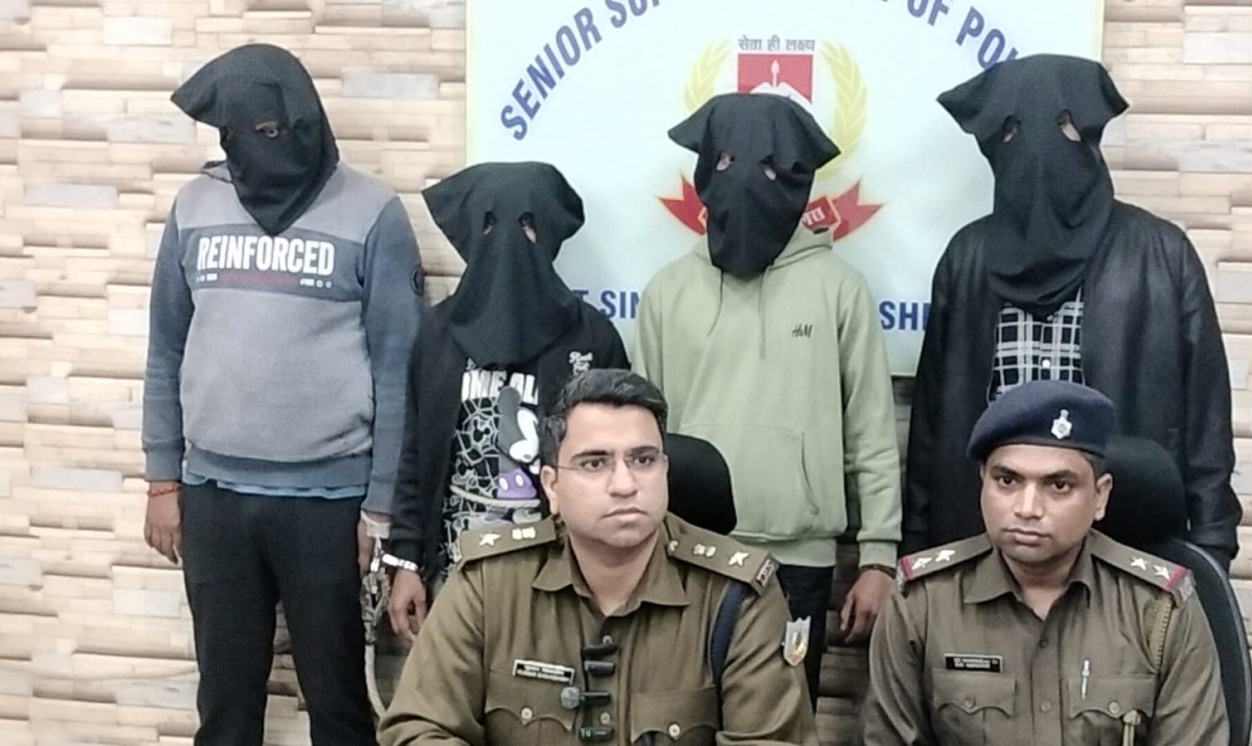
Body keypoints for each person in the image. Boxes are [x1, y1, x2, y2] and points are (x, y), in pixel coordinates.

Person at [141, 44, 422, 745]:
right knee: (225, 708)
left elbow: (398, 370)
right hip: (213, 498)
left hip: (329, 505)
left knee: (338, 707)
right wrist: (161, 479)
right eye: (247, 132)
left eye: (275, 129)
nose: (264, 144)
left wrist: (380, 509)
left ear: (305, 119)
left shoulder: (373, 213)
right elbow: (167, 347)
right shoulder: (194, 206)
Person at [904, 54, 1241, 570]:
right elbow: (932, 422)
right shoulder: (967, 258)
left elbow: (1206, 422)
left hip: (1125, 544)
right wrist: (918, 548)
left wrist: (1212, 549)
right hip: (986, 545)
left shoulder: (1160, 254)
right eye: (1012, 130)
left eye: (1063, 126)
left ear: (1089, 136)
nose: (1038, 148)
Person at [379, 369, 819, 746]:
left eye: (643, 460)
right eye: (595, 463)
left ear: (665, 471)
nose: (624, 484)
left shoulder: (738, 598)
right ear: (551, 486)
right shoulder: (489, 581)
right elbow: (418, 728)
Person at [634, 92, 902, 704]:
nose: (747, 182)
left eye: (770, 167)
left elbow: (870, 432)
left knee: (785, 720)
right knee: (680, 718)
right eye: (727, 162)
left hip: (798, 563)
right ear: (705, 169)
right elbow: (641, 440)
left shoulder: (839, 289)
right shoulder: (667, 293)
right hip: (685, 553)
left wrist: (878, 557)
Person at [864, 380, 1229, 745]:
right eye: (1007, 480)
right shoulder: (922, 602)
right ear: (982, 483)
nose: (1027, 508)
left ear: (1100, 497)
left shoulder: (1159, 609)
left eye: (1058, 486)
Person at [383, 161, 630, 641]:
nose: (510, 242)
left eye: (528, 225)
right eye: (490, 225)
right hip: (454, 573)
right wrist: (407, 560)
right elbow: (416, 455)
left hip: (561, 579)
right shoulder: (438, 334)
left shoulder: (592, 337)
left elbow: (615, 464)